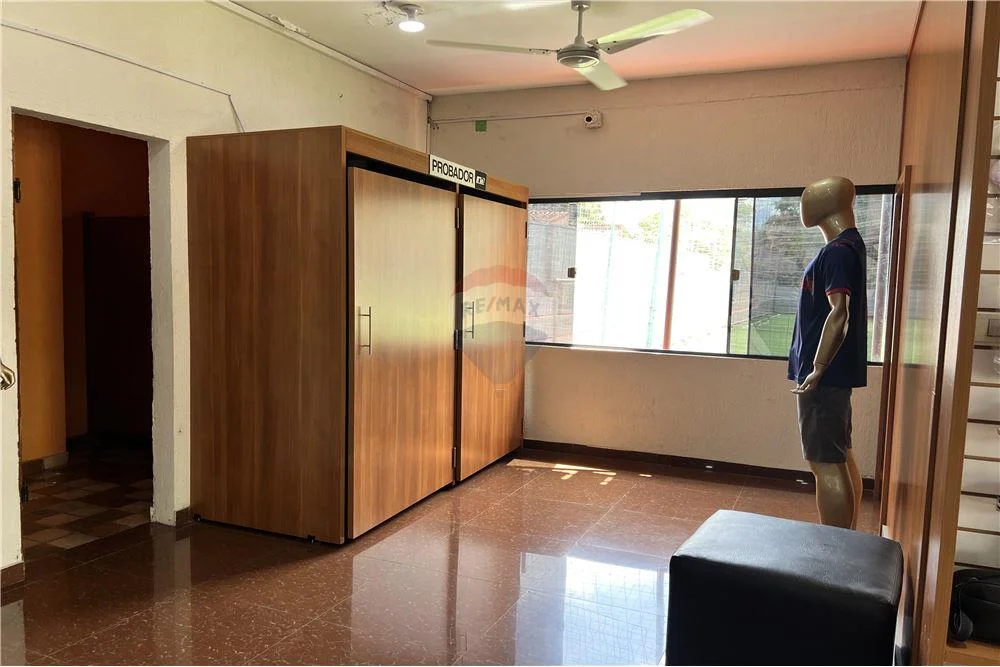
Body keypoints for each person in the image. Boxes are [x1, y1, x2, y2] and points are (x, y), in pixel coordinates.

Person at [789, 176, 867, 529]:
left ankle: (834, 548)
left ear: (831, 203)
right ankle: (847, 539)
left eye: (811, 196)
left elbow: (840, 313)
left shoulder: (837, 251)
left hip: (823, 377)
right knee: (839, 456)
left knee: (824, 463)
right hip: (830, 375)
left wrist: (818, 367)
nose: (804, 203)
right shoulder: (848, 246)